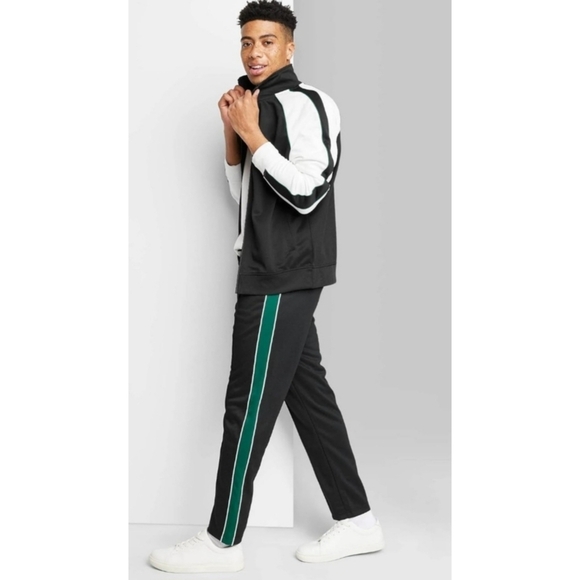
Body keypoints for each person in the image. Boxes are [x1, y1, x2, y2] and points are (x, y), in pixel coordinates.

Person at [149, 0, 384, 573]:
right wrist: (233, 137)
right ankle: (358, 522)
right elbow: (247, 199)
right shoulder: (250, 102)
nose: (254, 52)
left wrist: (253, 136)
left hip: (285, 270)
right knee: (308, 395)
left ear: (290, 46)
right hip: (264, 265)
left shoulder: (309, 102)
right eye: (247, 41)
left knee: (247, 404)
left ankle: (221, 541)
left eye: (267, 41)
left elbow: (308, 192)